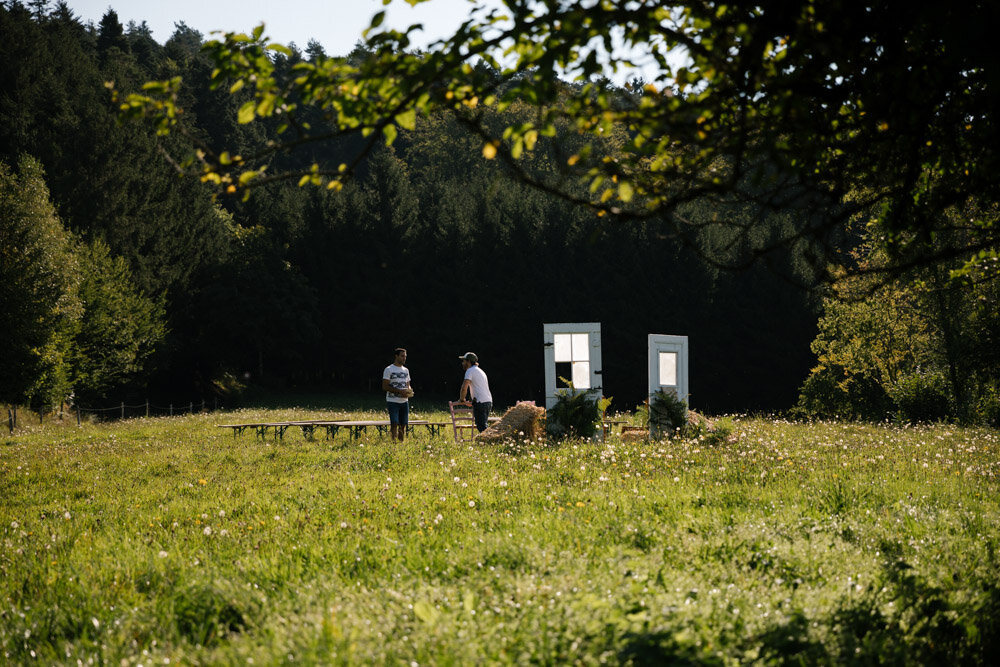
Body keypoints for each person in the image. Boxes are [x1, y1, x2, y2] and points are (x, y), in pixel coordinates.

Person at [458, 351, 493, 433]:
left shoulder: (470, 371)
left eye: (464, 361)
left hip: (480, 402)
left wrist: (462, 399)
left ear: (469, 361)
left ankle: (488, 442)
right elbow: (478, 387)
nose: (462, 363)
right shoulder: (480, 371)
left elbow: (464, 387)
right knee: (483, 425)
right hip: (488, 401)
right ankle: (489, 441)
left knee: (482, 427)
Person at [382, 347, 412, 441]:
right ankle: (394, 443)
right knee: (394, 423)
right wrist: (399, 391)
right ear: (396, 356)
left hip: (404, 401)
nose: (404, 358)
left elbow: (408, 385)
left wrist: (409, 391)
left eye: (405, 356)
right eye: (402, 356)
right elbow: (385, 386)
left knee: (403, 424)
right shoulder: (389, 369)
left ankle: (401, 443)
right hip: (393, 401)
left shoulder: (406, 370)